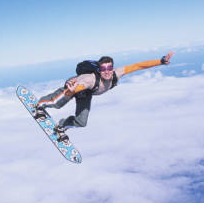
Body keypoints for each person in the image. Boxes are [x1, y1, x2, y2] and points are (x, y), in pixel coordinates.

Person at [34, 52, 174, 142]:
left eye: (109, 68)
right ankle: (40, 105)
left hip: (87, 93)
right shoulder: (90, 79)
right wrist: (70, 91)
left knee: (81, 122)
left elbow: (138, 66)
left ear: (112, 68)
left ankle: (61, 126)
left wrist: (160, 61)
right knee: (58, 102)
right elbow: (79, 86)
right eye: (103, 69)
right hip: (77, 85)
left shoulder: (117, 74)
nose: (106, 72)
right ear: (99, 70)